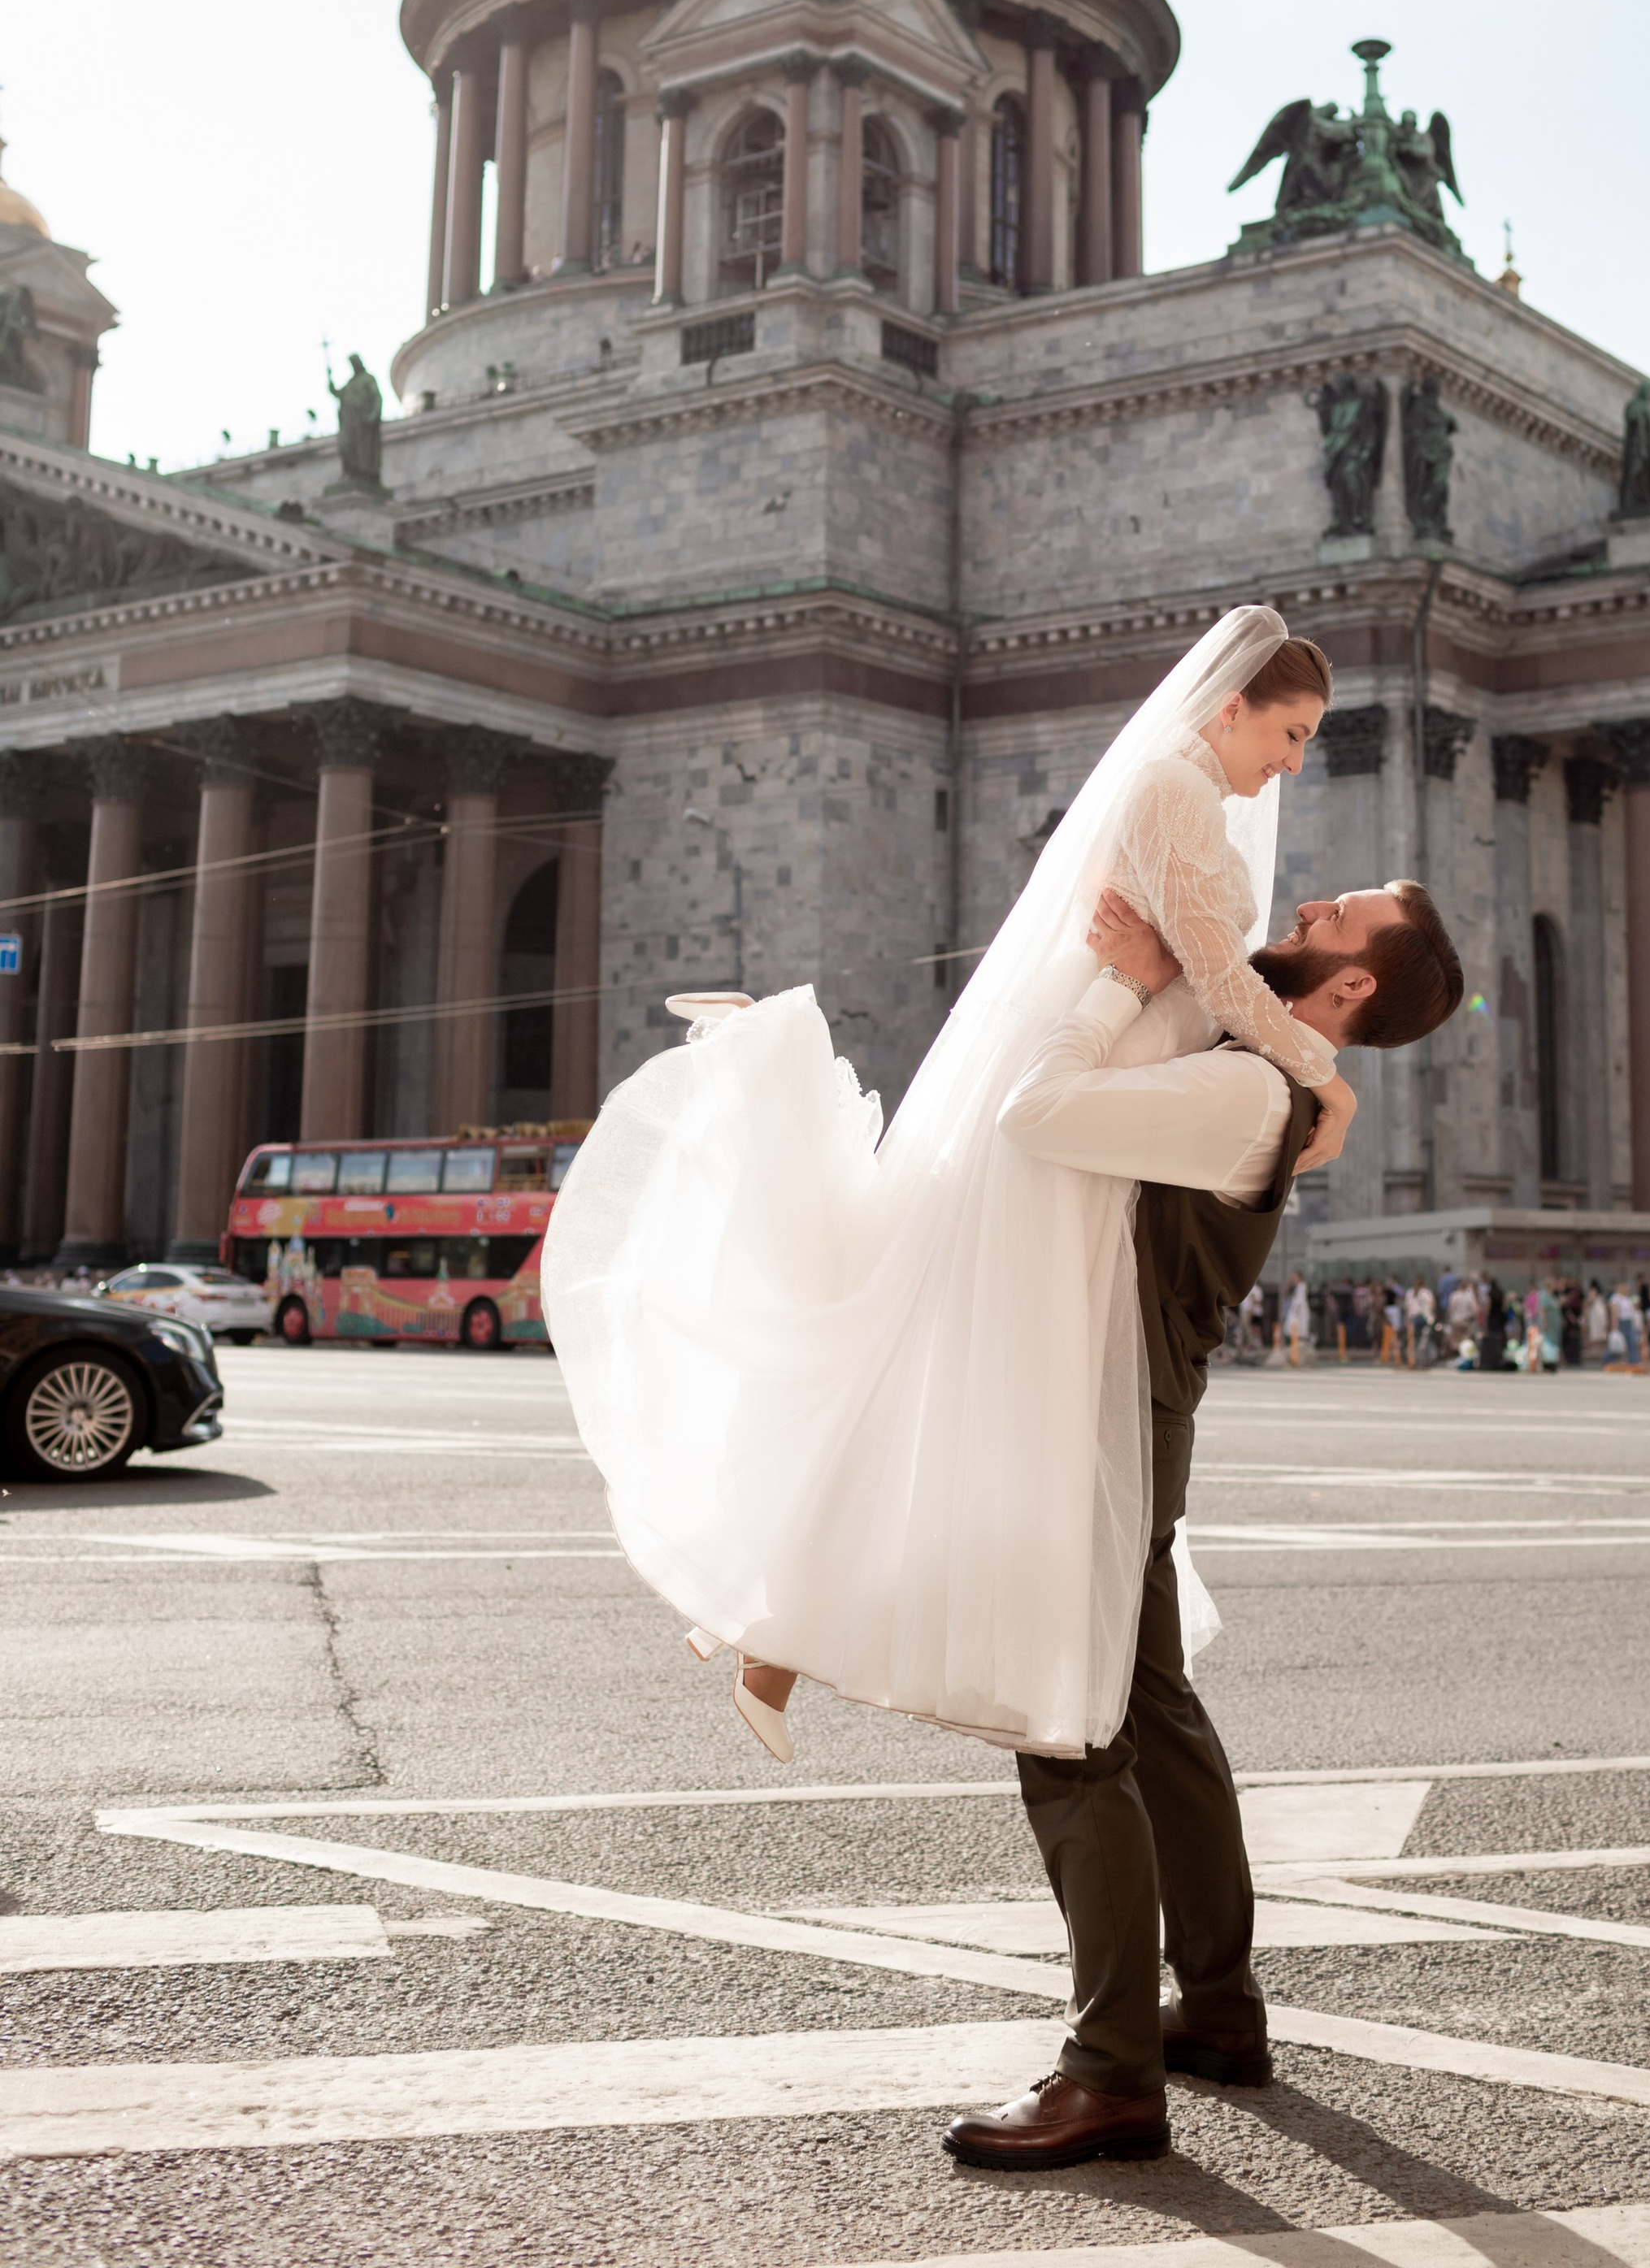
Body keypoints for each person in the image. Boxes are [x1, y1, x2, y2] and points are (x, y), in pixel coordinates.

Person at [545, 606, 1419, 1767]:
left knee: (936, 1376)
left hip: (1094, 1104)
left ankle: (778, 1636)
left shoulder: (1189, 798)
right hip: (1072, 1116)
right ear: (1232, 706)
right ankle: (821, 1637)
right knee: (985, 1400)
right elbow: (1216, 979)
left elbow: (1206, 986)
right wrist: (1331, 1085)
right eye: (1292, 732)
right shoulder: (1177, 794)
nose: (1295, 763)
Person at [943, 874, 1465, 2168]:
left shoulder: (1245, 1088)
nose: (1305, 911)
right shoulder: (1277, 1079)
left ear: (1349, 988)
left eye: (1333, 923)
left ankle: (1110, 2071)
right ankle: (1221, 2014)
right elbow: (1319, 1096)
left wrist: (1122, 979)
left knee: (1071, 1730)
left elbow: (1037, 1114)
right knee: (1156, 1709)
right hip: (1132, 1413)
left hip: (1103, 1426)